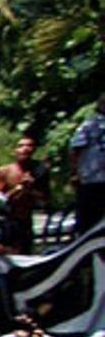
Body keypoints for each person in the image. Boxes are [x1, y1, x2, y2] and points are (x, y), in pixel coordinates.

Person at [71, 92, 105, 232]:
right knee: (89, 221)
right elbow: (76, 149)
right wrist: (75, 173)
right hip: (91, 180)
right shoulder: (89, 125)